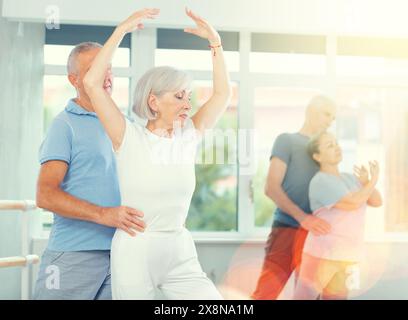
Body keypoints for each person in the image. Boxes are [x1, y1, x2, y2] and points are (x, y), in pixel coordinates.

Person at [83, 7, 232, 300]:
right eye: (179, 96)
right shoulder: (127, 135)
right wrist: (121, 30)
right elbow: (91, 83)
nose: (187, 104)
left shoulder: (188, 135)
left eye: (188, 97)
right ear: (154, 101)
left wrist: (216, 43)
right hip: (135, 248)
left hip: (178, 246)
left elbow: (222, 95)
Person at [33, 42, 145, 300]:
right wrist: (104, 214)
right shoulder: (64, 125)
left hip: (119, 253)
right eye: (94, 68)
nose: (104, 75)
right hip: (73, 255)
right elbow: (45, 195)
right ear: (74, 79)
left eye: (108, 67)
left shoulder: (124, 124)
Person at [252, 95, 337, 300]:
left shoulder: (327, 150)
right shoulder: (287, 141)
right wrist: (303, 218)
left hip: (316, 236)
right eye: (327, 114)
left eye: (333, 118)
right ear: (311, 110)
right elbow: (271, 188)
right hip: (287, 230)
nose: (330, 121)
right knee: (266, 293)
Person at [293, 132, 382, 300]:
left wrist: (365, 182)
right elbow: (353, 202)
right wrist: (374, 179)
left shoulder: (350, 178)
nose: (337, 147)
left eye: (336, 143)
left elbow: (377, 201)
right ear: (317, 156)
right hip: (321, 255)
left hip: (346, 256)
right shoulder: (321, 181)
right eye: (330, 145)